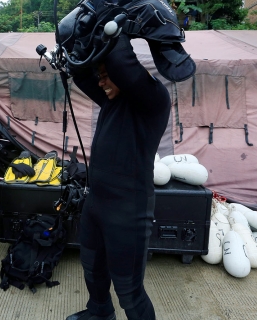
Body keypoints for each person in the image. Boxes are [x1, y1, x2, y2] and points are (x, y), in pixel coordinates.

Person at [66, 33, 171, 320]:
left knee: (130, 291)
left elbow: (123, 64)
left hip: (128, 212)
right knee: (92, 268)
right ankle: (100, 313)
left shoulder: (153, 101)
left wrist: (113, 24)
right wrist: (76, 37)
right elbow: (78, 71)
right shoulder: (111, 100)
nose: (100, 82)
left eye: (105, 76)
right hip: (97, 205)